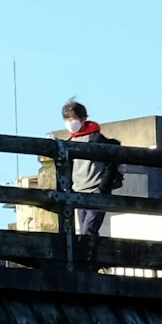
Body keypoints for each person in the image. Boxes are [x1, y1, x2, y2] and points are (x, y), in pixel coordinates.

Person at [58, 99, 121, 237]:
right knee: (83, 232)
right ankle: (89, 256)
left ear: (83, 118)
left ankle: (89, 256)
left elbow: (111, 165)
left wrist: (103, 188)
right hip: (78, 191)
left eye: (73, 118)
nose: (70, 122)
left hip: (96, 191)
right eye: (67, 119)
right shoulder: (69, 143)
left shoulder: (98, 140)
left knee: (88, 231)